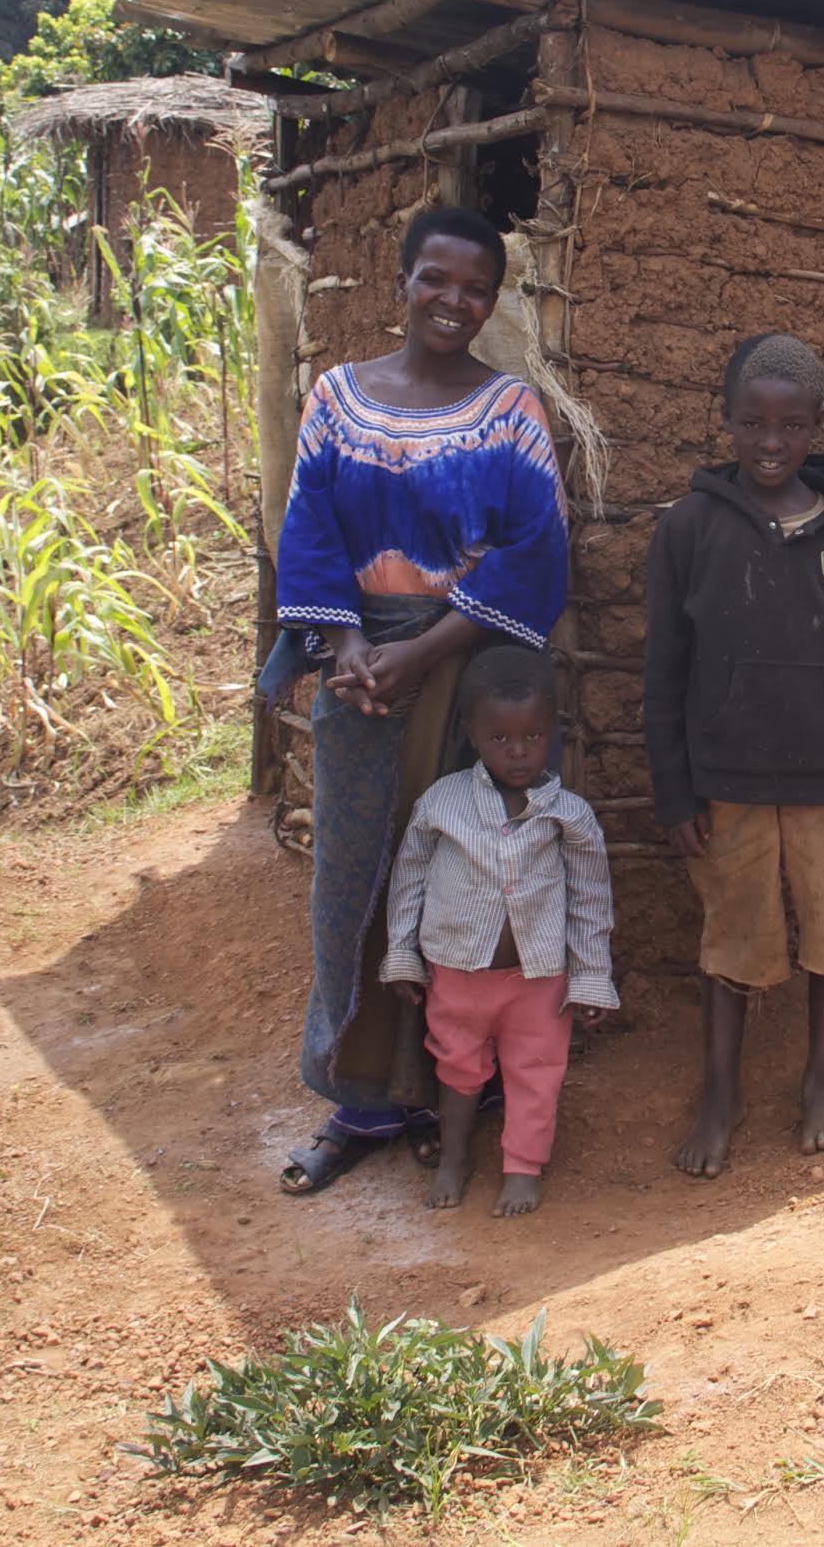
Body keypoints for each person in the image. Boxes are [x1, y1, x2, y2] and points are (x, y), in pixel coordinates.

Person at [264, 204, 569, 1197]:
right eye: (434, 279)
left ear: (493, 301)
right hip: (357, 668)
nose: (453, 301)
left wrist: (426, 650)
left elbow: (536, 554)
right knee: (351, 878)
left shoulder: (510, 414)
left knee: (459, 880)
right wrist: (350, 646)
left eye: (474, 288)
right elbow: (307, 533)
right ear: (401, 281)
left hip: (467, 667)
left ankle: (447, 1096)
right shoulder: (338, 401)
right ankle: (356, 1099)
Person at [643, 332, 824, 1177]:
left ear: (817, 428)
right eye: (751, 422)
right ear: (724, 423)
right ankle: (721, 1095)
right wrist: (676, 794)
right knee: (733, 943)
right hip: (730, 782)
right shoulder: (689, 529)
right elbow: (664, 675)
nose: (769, 441)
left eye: (790, 426)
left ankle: (821, 1085)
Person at [380, 645, 615, 1216]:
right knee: (457, 1067)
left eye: (531, 738)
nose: (517, 753)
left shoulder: (569, 815)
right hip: (457, 971)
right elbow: (409, 877)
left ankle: (523, 1166)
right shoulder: (442, 803)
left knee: (536, 1071)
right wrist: (402, 954)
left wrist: (591, 978)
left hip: (538, 979)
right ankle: (456, 1157)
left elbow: (590, 900)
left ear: (551, 732)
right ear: (472, 735)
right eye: (501, 740)